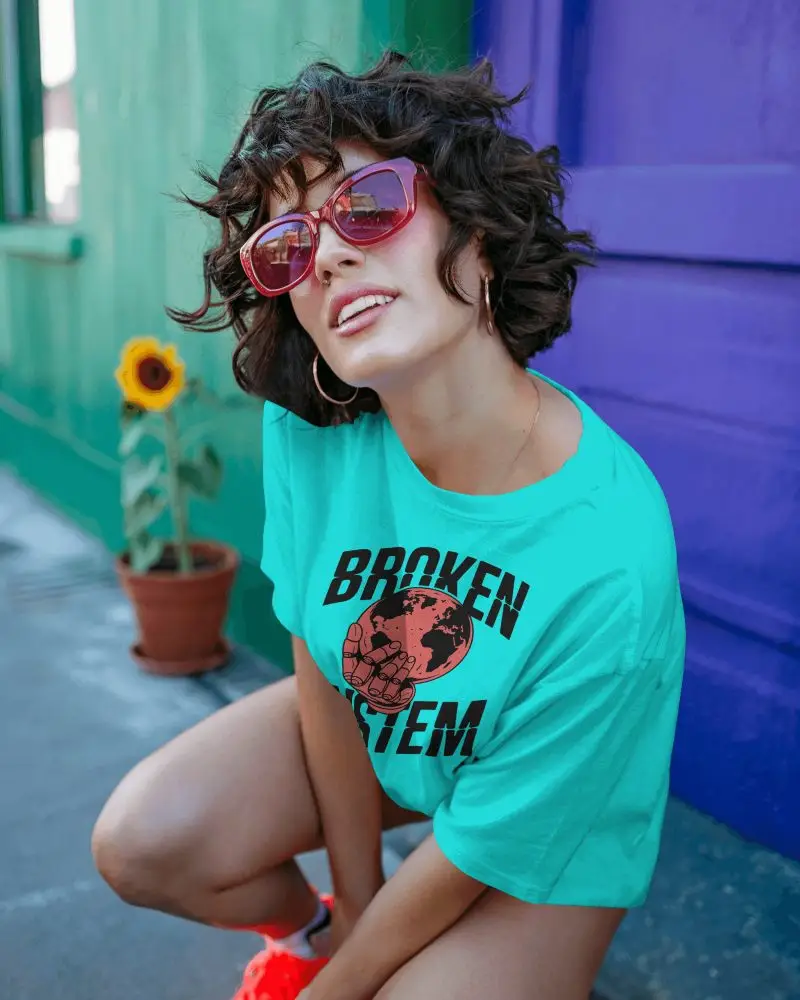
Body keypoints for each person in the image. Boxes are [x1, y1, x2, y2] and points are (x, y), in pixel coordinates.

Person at [91, 51, 686, 1000]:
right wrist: (352, 917)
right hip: (394, 735)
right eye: (287, 245)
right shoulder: (311, 429)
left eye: (369, 204)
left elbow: (484, 844)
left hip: (542, 831)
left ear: (478, 228)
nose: (324, 254)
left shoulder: (609, 553)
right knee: (142, 841)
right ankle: (305, 935)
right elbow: (325, 674)